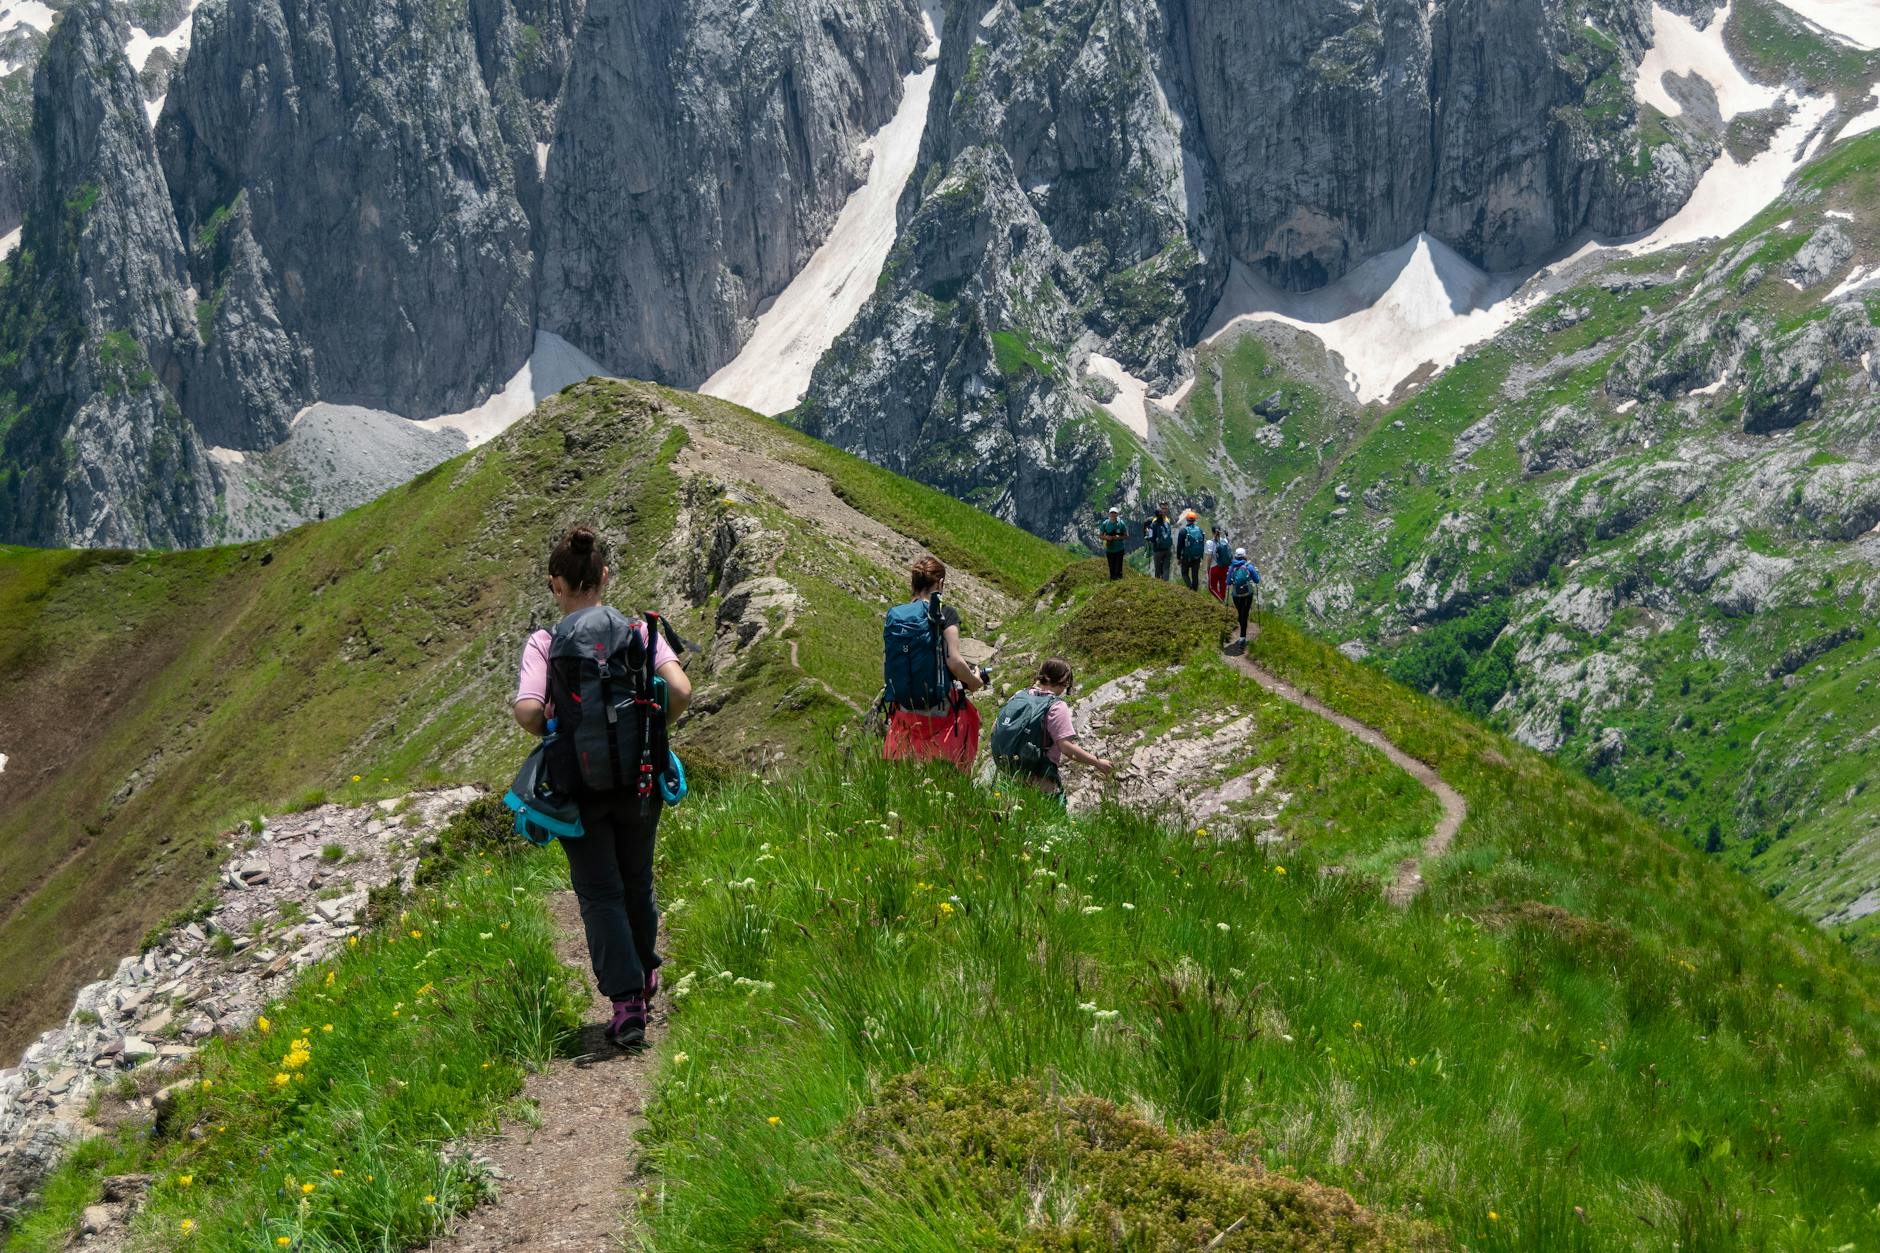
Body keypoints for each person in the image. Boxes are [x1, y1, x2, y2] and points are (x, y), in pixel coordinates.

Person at [513, 526, 692, 1050]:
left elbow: (526, 709)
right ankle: (646, 972)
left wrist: (550, 723)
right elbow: (679, 689)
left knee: (599, 892)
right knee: (637, 880)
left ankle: (626, 1003)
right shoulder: (638, 631)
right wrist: (654, 728)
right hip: (640, 780)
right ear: (605, 576)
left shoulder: (545, 642)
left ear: (555, 584)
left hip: (578, 789)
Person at [883, 555, 988, 771]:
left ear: (913, 583)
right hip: (940, 709)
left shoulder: (896, 616)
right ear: (940, 584)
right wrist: (975, 682)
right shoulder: (944, 613)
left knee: (905, 774)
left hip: (903, 707)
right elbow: (954, 661)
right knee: (968, 724)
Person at [989, 657, 1113, 798]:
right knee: (1053, 818)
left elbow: (995, 728)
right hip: (1040, 779)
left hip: (1009, 776)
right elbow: (1067, 748)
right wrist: (1097, 762)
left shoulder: (1019, 695)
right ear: (1064, 681)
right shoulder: (1056, 706)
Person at [1226, 547, 1261, 644]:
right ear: (1244, 556)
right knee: (1244, 614)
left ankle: (1241, 631)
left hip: (1236, 595)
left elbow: (1228, 582)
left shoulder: (1232, 567)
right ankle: (1242, 638)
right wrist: (1257, 573)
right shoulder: (1249, 566)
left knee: (1241, 613)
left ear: (1236, 556)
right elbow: (1257, 580)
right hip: (1247, 594)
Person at [1143, 501, 1175, 581]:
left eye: (1165, 508)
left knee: (1158, 568)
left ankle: (1159, 585)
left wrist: (1148, 537)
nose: (1164, 510)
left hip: (1157, 549)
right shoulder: (1167, 521)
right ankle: (1165, 584)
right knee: (1165, 568)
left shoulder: (1154, 521)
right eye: (1163, 508)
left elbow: (1151, 536)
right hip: (1167, 548)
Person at [1177, 510, 1206, 591]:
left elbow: (1179, 546)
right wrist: (1201, 558)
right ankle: (1195, 592)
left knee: (1184, 573)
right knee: (1195, 575)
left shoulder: (1183, 531)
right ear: (1194, 520)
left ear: (1186, 519)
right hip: (1197, 557)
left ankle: (1189, 587)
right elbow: (1202, 544)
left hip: (1186, 556)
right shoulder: (1199, 530)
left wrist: (1179, 558)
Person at [1099, 505, 1129, 580]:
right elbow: (1100, 536)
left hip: (1119, 549)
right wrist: (1107, 537)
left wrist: (1118, 538)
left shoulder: (1121, 523)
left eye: (1114, 513)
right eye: (1111, 513)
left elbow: (1126, 536)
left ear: (1117, 514)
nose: (1113, 514)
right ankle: (1112, 581)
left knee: (1119, 567)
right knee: (1111, 567)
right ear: (1109, 514)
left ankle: (1119, 581)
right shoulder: (1105, 523)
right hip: (1109, 549)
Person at [1208, 527, 1231, 602]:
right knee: (1223, 586)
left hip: (1215, 568)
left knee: (1212, 587)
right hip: (1225, 567)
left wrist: (1208, 568)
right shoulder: (1225, 540)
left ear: (1212, 532)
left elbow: (1209, 557)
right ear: (1220, 532)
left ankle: (1222, 601)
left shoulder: (1210, 542)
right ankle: (1222, 602)